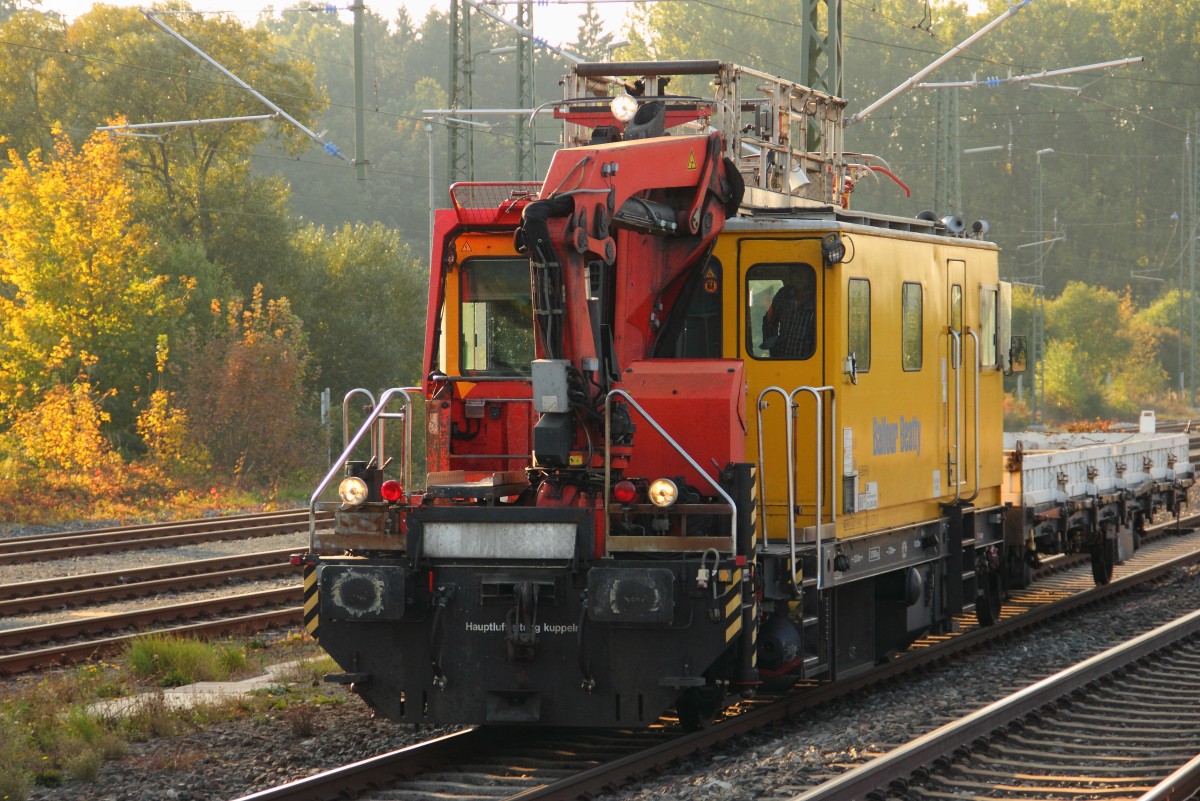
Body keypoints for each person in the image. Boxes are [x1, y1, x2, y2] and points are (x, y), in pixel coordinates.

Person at [761, 270, 816, 359]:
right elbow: (769, 321)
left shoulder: (820, 298)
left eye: (803, 273)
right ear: (792, 276)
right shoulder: (783, 295)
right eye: (796, 273)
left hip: (809, 362)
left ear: (810, 276)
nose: (799, 278)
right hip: (782, 360)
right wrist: (772, 348)